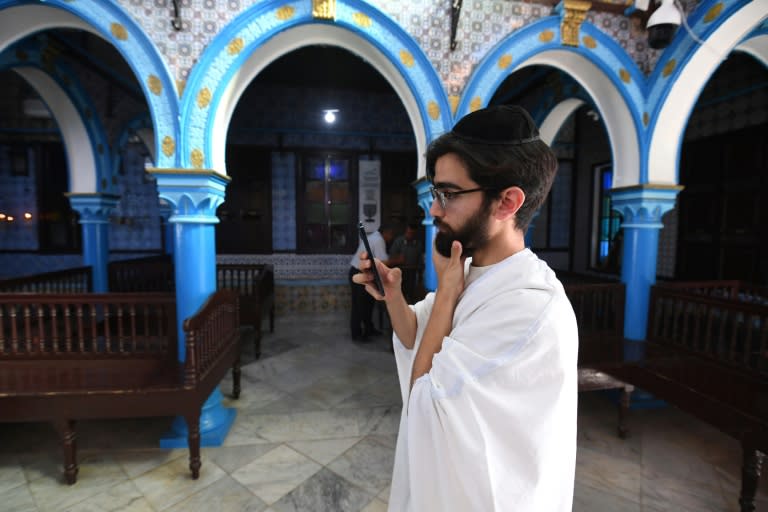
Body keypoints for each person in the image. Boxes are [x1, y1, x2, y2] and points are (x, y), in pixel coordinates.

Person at [353, 105, 578, 511]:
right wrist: (394, 296)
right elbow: (416, 337)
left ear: (507, 201)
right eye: (435, 194)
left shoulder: (529, 305)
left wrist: (446, 292)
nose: (434, 210)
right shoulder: (471, 270)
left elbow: (426, 399)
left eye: (449, 195)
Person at [349, 224, 395, 342]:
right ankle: (357, 334)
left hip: (361, 272)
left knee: (368, 303)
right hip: (359, 272)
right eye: (391, 234)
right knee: (359, 305)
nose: (391, 237)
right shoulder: (379, 240)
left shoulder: (374, 237)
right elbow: (383, 261)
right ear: (386, 232)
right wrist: (398, 260)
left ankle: (369, 329)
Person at [388, 223, 424, 301]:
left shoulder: (418, 243)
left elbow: (420, 259)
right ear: (405, 232)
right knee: (401, 294)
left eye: (412, 233)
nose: (409, 235)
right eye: (408, 233)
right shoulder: (398, 241)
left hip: (412, 272)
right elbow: (391, 256)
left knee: (412, 294)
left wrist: (420, 274)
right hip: (400, 271)